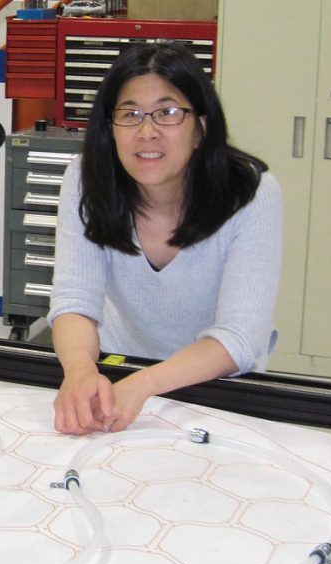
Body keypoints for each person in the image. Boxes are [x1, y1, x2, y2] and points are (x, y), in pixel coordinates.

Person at [48, 42, 283, 435]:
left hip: (218, 382)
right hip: (120, 370)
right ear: (110, 127)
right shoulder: (86, 179)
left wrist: (143, 386)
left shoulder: (251, 192)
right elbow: (75, 301)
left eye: (168, 113)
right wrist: (80, 371)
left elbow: (239, 336)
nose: (147, 132)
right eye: (130, 114)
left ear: (200, 129)